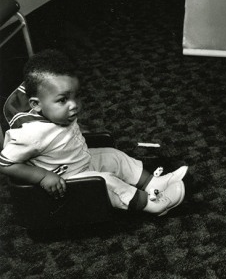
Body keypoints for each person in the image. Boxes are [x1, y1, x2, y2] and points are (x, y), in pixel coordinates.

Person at [0, 49, 188, 216]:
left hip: (81, 161)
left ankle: (152, 184)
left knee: (114, 156)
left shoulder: (59, 114)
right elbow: (5, 164)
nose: (74, 105)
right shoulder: (31, 134)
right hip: (66, 180)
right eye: (63, 100)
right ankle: (151, 204)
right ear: (36, 104)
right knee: (105, 181)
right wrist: (42, 176)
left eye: (76, 96)